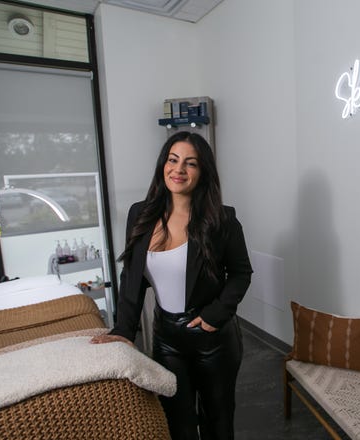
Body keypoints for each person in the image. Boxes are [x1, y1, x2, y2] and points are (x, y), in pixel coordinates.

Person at [90, 131, 253, 440]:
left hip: (213, 338)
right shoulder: (141, 214)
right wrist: (124, 329)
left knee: (218, 423)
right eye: (173, 160)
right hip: (167, 339)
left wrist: (215, 315)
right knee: (176, 424)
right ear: (163, 165)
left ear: (202, 172)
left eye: (190, 163)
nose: (178, 170)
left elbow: (241, 273)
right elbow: (132, 278)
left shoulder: (222, 220)